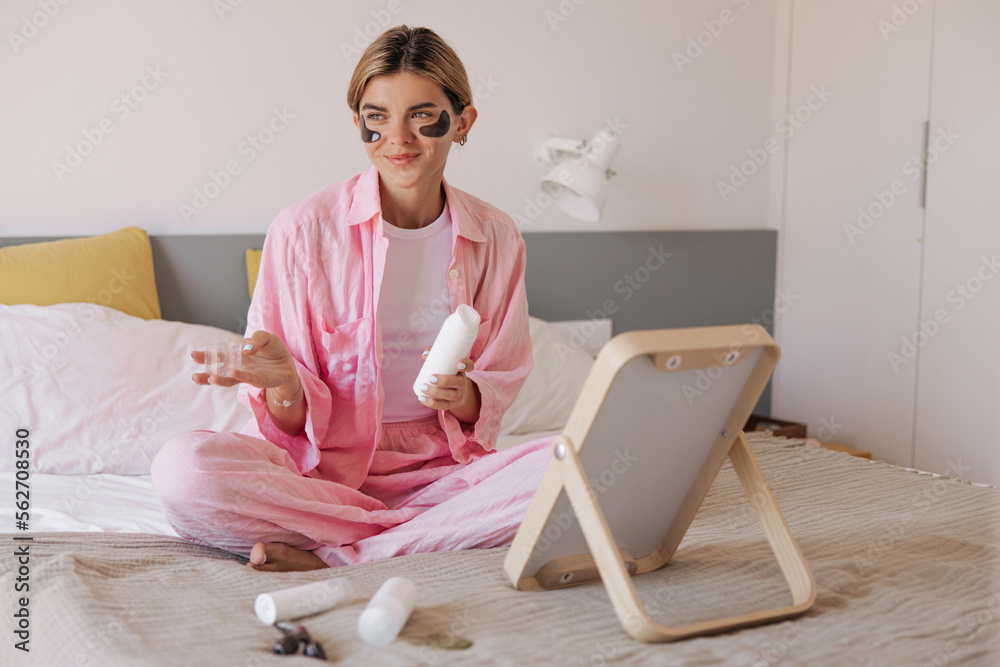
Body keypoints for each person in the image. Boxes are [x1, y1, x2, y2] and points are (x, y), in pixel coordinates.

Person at [151, 26, 549, 572]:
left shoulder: (497, 236)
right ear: (358, 121)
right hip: (317, 479)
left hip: (444, 478)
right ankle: (418, 541)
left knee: (572, 467)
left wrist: (465, 397)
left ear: (463, 122)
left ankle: (348, 555)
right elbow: (289, 428)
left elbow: (501, 379)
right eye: (377, 116)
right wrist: (286, 384)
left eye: (422, 114)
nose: (398, 137)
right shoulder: (301, 232)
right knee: (183, 472)